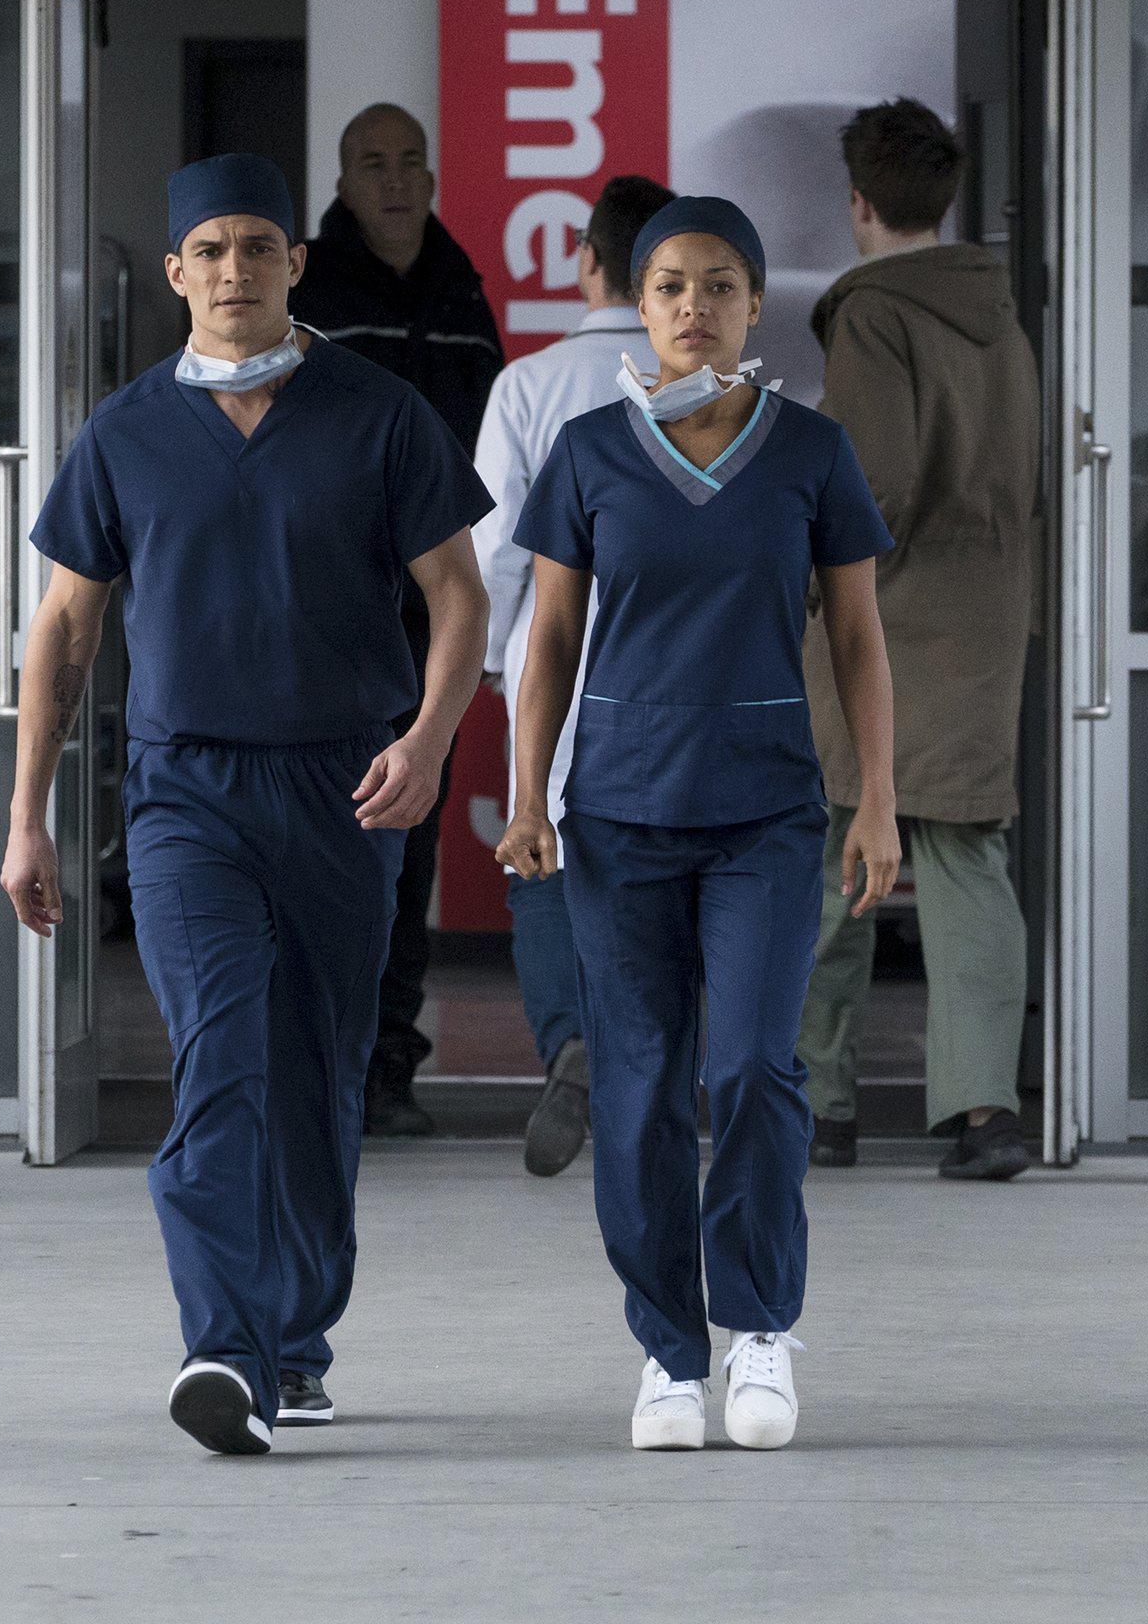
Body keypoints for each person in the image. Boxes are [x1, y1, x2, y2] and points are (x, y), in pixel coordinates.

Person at [2, 153, 492, 1457]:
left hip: (345, 784)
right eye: (209, 250)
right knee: (220, 1058)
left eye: (257, 248)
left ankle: (297, 1332)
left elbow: (460, 594)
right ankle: (225, 1348)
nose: (234, 271)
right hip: (186, 790)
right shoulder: (123, 435)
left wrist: (433, 739)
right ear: (173, 273)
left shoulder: (378, 414)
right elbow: (60, 635)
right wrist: (28, 814)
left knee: (318, 1068)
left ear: (295, 265)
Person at [496, 196, 900, 1454]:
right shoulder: (592, 452)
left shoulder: (810, 453)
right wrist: (525, 792)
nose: (690, 306)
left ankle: (762, 1327)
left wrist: (875, 796)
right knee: (641, 1085)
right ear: (643, 299)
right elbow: (549, 636)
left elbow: (857, 637)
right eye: (669, 284)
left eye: (718, 285)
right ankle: (670, 1352)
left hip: (767, 815)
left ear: (753, 302)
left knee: (753, 1068)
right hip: (619, 811)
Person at [796, 98, 1046, 1182]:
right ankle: (985, 1108)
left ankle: (819, 1104)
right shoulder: (1000, 312)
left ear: (858, 201)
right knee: (965, 857)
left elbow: (871, 482)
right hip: (985, 617)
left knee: (832, 858)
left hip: (883, 628)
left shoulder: (873, 316)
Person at [295, 102, 507, 1138]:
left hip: (433, 612)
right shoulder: (313, 290)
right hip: (328, 610)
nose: (393, 180)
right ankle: (320, 1058)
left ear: (432, 173)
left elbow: (487, 453)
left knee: (406, 835)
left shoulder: (464, 293)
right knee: (320, 836)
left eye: (410, 161)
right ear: (341, 181)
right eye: (371, 164)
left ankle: (387, 1062)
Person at [472, 174, 676, 1177]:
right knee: (666, 880)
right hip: (680, 675)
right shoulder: (709, 382)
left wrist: (486, 657)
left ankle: (572, 1044)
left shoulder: (529, 385)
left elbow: (498, 546)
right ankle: (651, 1079)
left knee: (541, 862)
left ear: (587, 261)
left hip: (555, 663)